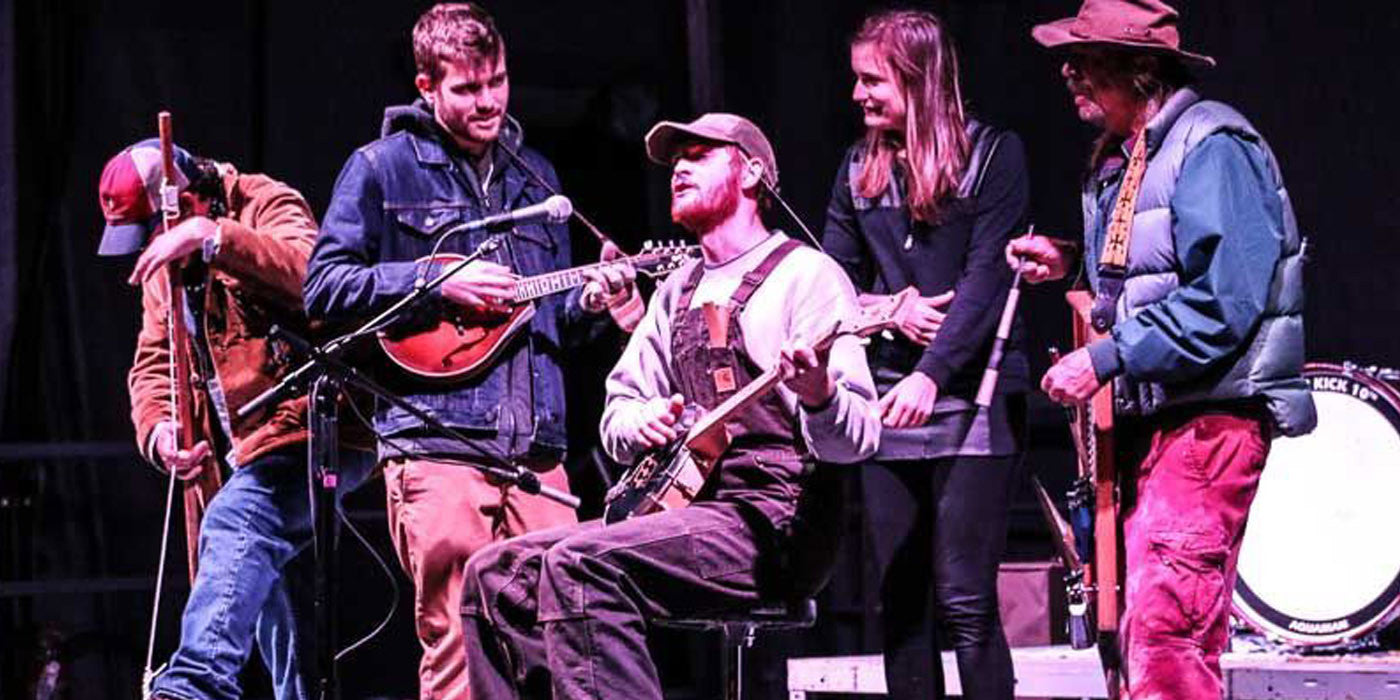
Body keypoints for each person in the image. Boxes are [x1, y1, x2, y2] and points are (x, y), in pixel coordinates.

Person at [458, 113, 881, 699]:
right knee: (495, 578)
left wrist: (819, 396)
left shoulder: (807, 277)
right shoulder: (678, 290)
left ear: (752, 172)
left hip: (777, 522)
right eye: (676, 158)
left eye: (701, 154)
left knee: (581, 567)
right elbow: (618, 411)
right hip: (683, 514)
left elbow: (859, 437)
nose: (679, 167)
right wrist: (640, 422)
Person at [302, 4, 636, 698]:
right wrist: (436, 279)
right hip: (438, 444)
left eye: (499, 82)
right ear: (426, 86)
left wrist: (593, 303)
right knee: (459, 645)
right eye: (467, 88)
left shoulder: (534, 173)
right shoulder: (381, 170)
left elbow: (544, 320)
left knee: (563, 640)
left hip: (538, 454)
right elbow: (326, 289)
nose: (488, 102)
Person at [1008, 1, 1315, 697]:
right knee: (1140, 633)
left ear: (1140, 69)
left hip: (1210, 419)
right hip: (1160, 417)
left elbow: (1223, 301)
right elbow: (1158, 273)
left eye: (1085, 59)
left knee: (1167, 628)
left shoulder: (1212, 146)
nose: (1068, 72)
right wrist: (1071, 266)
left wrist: (1105, 358)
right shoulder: (1129, 155)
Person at [99, 139, 372, 700]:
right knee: (283, 611)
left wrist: (217, 241)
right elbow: (152, 363)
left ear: (188, 198)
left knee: (238, 522)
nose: (153, 245)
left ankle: (191, 687)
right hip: (236, 457)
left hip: (309, 429)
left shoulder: (263, 201)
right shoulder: (162, 265)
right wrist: (160, 431)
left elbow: (312, 277)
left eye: (156, 228)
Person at [820, 10, 1030, 699]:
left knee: (965, 599)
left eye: (871, 80)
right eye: (856, 79)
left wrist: (930, 373)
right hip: (887, 398)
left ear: (919, 79)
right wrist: (892, 311)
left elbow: (984, 283)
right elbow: (830, 285)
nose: (858, 95)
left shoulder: (995, 156)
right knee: (899, 602)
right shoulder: (858, 169)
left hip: (973, 397)